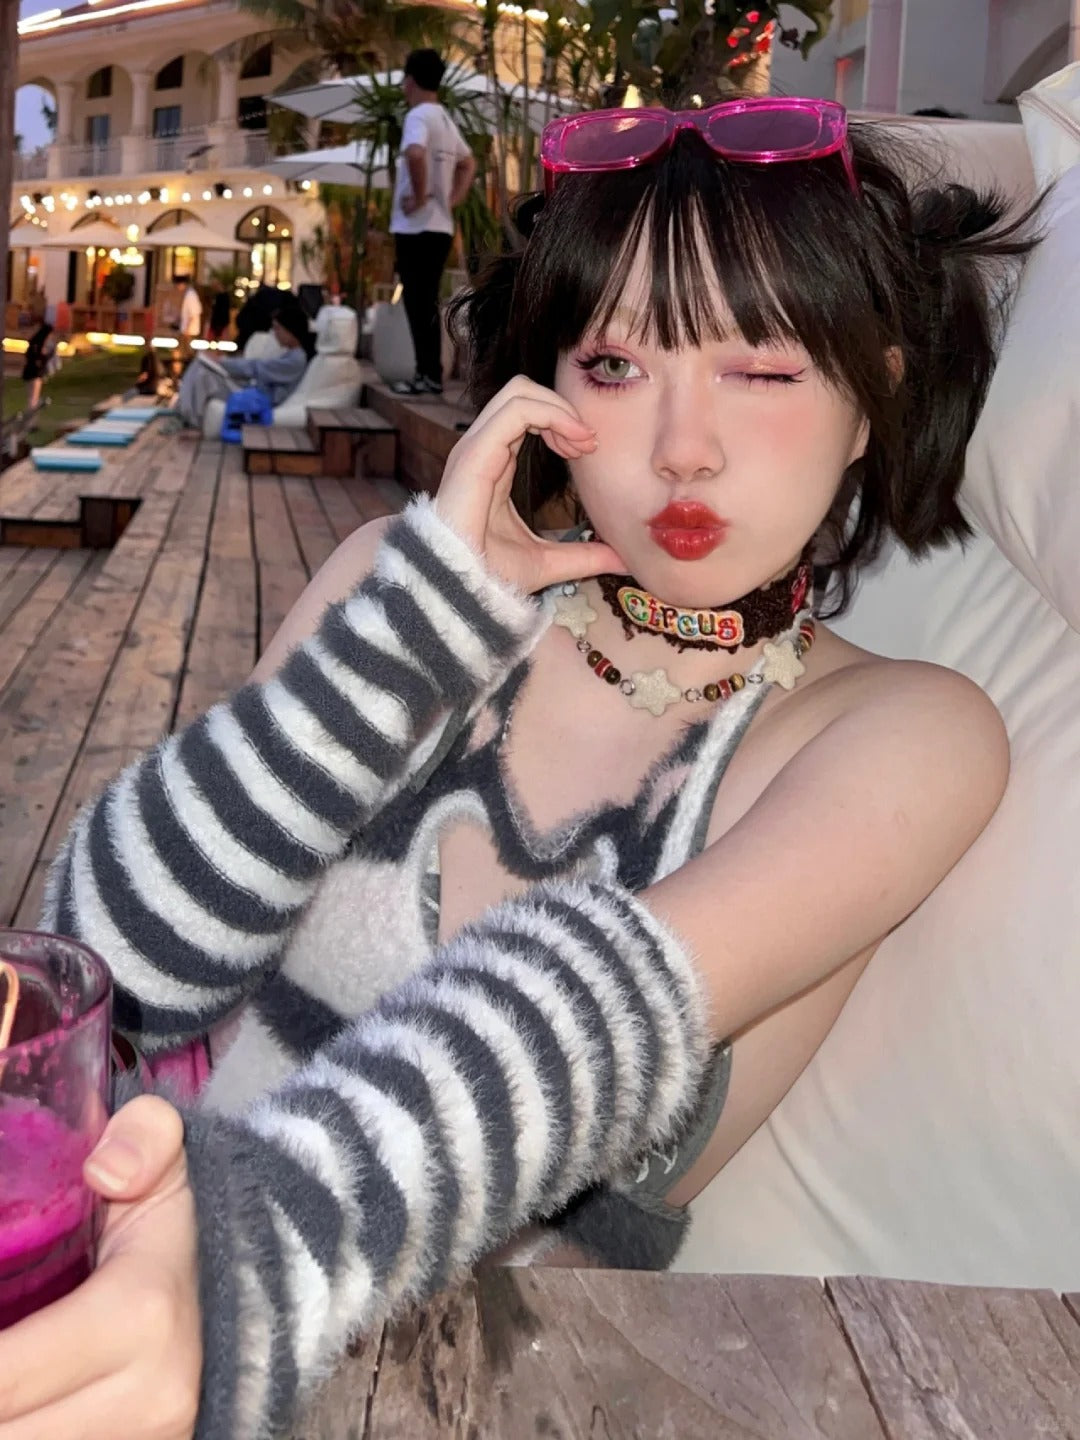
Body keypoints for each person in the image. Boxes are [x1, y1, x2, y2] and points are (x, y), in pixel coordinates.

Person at [0, 101, 1040, 1440]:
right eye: (616, 363)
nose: (683, 443)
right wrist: (415, 629)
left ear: (871, 397)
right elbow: (101, 985)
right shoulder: (400, 590)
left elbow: (559, 1035)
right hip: (93, 1263)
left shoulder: (905, 732)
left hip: (456, 1385)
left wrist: (218, 1293)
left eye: (764, 369)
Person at [389, 47, 476, 396]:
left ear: (410, 81)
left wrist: (421, 196)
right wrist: (451, 199)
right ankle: (431, 375)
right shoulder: (444, 118)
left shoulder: (418, 116)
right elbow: (468, 162)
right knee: (427, 301)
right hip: (439, 226)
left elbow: (414, 152)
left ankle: (426, 375)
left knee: (417, 301)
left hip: (416, 226)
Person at [173, 297, 313, 429]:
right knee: (201, 367)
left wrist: (222, 361)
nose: (275, 333)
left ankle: (188, 416)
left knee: (203, 374)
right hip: (254, 392)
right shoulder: (291, 355)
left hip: (257, 399)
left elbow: (256, 368)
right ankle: (184, 412)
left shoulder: (296, 359)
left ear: (290, 331)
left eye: (278, 329)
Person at [20, 320, 56, 411]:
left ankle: (30, 415)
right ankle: (31, 417)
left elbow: (28, 355)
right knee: (34, 398)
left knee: (31, 397)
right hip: (35, 374)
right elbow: (42, 358)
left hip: (29, 373)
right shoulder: (41, 346)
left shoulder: (34, 343)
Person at [173, 275, 202, 358]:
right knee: (184, 352)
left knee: (184, 352)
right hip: (187, 330)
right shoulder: (188, 294)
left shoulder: (191, 295)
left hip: (189, 331)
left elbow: (194, 314)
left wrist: (187, 329)